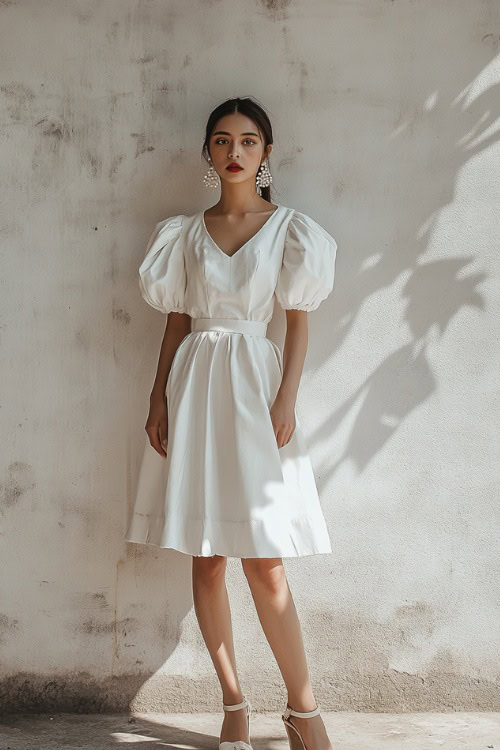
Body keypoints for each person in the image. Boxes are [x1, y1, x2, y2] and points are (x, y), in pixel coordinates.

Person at [125, 96, 337, 750]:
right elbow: (176, 322)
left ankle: (304, 713)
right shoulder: (183, 234)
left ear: (265, 153)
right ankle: (234, 704)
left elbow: (298, 321)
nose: (235, 150)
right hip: (196, 384)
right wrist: (158, 398)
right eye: (222, 140)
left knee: (264, 561)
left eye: (248, 140)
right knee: (210, 558)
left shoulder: (291, 230)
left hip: (255, 386)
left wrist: (286, 399)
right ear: (209, 154)